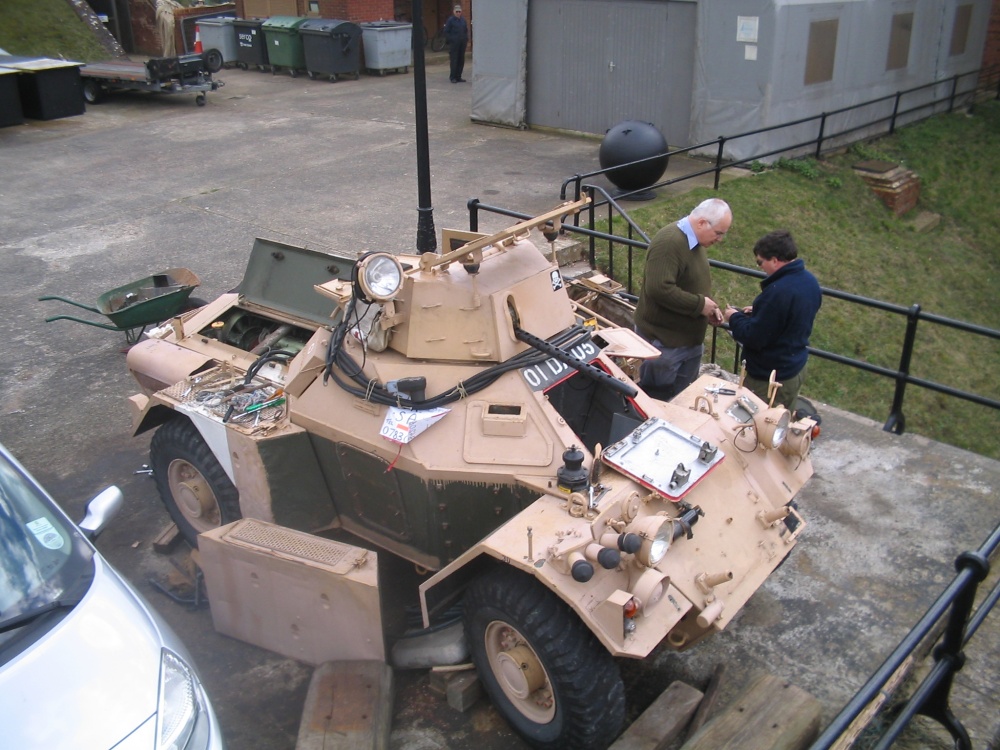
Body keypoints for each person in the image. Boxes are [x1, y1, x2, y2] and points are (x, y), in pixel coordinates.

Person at [633, 198, 731, 400]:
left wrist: (708, 308)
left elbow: (691, 283)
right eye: (718, 233)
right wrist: (699, 305)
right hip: (664, 344)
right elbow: (659, 289)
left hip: (687, 343)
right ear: (702, 223)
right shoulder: (669, 243)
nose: (720, 239)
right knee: (657, 400)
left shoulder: (695, 242)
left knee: (683, 400)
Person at [723, 229, 822, 411]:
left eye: (760, 262)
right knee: (781, 421)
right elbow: (792, 315)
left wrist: (734, 317)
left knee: (757, 423)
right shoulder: (809, 282)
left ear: (775, 260)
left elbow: (754, 337)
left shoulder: (778, 293)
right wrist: (762, 312)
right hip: (793, 370)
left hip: (769, 379)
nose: (760, 267)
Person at [444, 5, 468, 84]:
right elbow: (446, 31)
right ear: (454, 12)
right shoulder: (450, 20)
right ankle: (453, 77)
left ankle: (458, 76)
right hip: (454, 44)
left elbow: (466, 30)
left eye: (459, 11)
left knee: (461, 60)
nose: (458, 13)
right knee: (454, 60)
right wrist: (451, 40)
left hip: (462, 43)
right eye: (456, 11)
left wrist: (466, 39)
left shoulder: (463, 20)